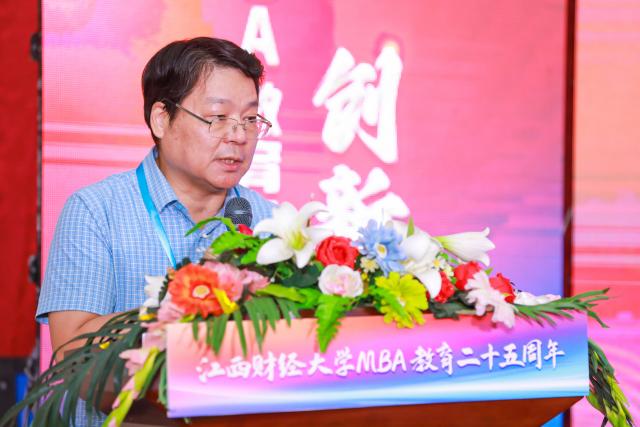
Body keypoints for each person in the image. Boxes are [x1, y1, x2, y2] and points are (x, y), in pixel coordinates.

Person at [36, 37, 274, 423]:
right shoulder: (96, 211)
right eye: (218, 117)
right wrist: (184, 314)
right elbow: (72, 352)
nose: (239, 135)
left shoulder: (268, 220)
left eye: (250, 119)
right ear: (161, 118)